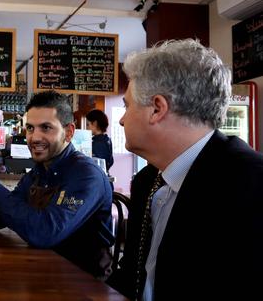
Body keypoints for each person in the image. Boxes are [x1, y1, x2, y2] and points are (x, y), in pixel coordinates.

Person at [106, 39, 263, 300]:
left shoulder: (251, 183)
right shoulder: (148, 181)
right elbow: (133, 276)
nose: (122, 119)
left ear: (157, 108)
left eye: (127, 105)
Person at [0, 91, 114, 279]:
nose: (34, 137)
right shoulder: (39, 171)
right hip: (43, 274)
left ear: (69, 132)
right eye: (30, 128)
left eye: (46, 128)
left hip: (84, 284)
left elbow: (45, 232)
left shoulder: (86, 175)